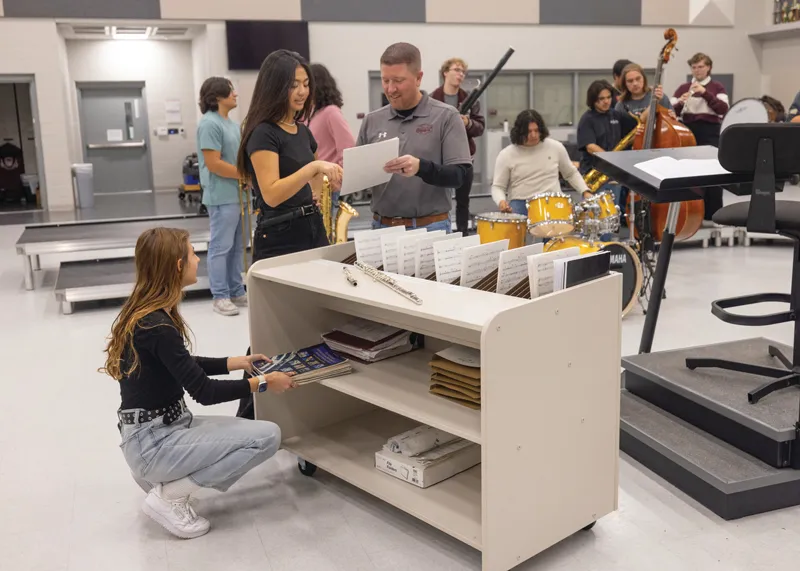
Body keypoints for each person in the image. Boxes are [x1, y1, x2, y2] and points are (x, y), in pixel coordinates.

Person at [102, 227, 296, 539]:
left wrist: (237, 362)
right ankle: (170, 496)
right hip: (154, 444)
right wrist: (262, 383)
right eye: (192, 254)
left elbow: (183, 365)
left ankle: (166, 484)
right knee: (267, 437)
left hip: (154, 432)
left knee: (255, 434)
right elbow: (204, 392)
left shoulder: (146, 314)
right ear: (178, 265)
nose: (197, 259)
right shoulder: (158, 326)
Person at [235, 49, 342, 419]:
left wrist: (322, 179)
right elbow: (272, 193)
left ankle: (307, 407)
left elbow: (307, 185)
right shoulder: (262, 133)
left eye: (305, 83)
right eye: (293, 84)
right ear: (275, 86)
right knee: (269, 330)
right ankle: (249, 412)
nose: (302, 90)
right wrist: (314, 166)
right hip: (278, 236)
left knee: (313, 320)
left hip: (310, 227)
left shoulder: (303, 130)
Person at [357, 42, 472, 233]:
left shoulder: (446, 116)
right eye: (385, 80)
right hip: (381, 228)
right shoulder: (372, 121)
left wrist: (421, 167)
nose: (390, 89)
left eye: (398, 81)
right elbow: (360, 176)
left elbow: (458, 176)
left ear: (419, 78)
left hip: (431, 228)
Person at [196, 77, 246, 317]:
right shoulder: (209, 123)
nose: (235, 94)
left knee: (237, 246)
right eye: (231, 90)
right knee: (220, 246)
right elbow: (213, 163)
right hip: (221, 195)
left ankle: (236, 289)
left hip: (237, 194)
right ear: (217, 97)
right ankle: (220, 296)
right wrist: (245, 175)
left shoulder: (232, 124)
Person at [492, 109, 590, 216]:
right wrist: (501, 201)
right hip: (521, 202)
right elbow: (498, 186)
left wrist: (585, 191)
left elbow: (571, 173)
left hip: (553, 200)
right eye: (529, 132)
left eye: (536, 130)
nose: (534, 135)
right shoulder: (506, 154)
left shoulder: (556, 147)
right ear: (519, 132)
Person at [430, 57, 486, 234]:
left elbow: (480, 127)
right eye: (456, 70)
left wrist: (467, 122)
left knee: (463, 201)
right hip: (439, 158)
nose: (460, 74)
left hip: (464, 157)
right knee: (438, 199)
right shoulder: (433, 99)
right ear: (445, 72)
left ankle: (462, 234)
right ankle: (440, 233)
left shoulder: (469, 100)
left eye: (463, 71)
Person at [670, 53, 729, 220]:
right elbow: (671, 112)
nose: (697, 70)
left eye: (701, 66)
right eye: (694, 67)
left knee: (713, 172)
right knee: (691, 174)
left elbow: (723, 109)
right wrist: (680, 103)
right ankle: (694, 215)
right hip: (688, 132)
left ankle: (714, 214)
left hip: (710, 132)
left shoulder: (717, 87)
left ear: (709, 67)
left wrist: (705, 93)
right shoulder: (683, 88)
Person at [577, 80, 638, 210]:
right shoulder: (587, 119)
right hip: (594, 175)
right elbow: (590, 147)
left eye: (609, 97)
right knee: (594, 218)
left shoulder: (616, 115)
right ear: (593, 100)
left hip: (613, 175)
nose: (606, 101)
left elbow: (638, 126)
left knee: (612, 218)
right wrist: (611, 160)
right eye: (601, 99)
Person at [307, 63, 356, 223]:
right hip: (311, 186)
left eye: (307, 83)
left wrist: (339, 180)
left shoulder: (331, 112)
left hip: (327, 187)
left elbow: (347, 148)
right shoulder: (312, 113)